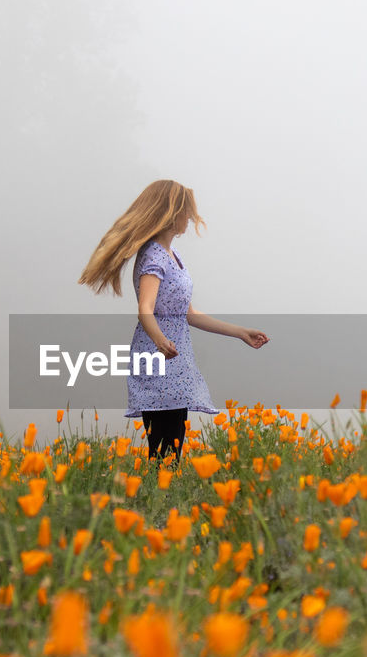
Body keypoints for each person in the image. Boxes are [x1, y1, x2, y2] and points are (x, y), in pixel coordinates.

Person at [78, 180, 268, 463]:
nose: (190, 218)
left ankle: (162, 501)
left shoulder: (172, 255)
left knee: (172, 446)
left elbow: (189, 314)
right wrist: (159, 340)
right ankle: (158, 502)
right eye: (186, 211)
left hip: (175, 361)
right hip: (159, 359)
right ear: (171, 212)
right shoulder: (154, 255)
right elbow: (145, 307)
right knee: (164, 449)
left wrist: (240, 332)